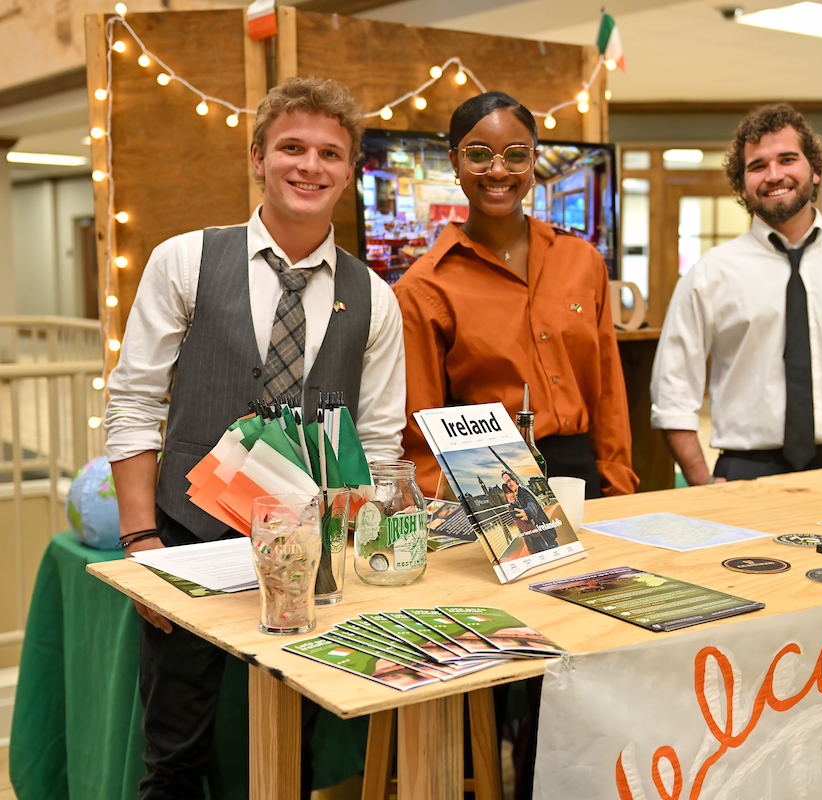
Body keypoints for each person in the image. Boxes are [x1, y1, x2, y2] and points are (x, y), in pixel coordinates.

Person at [103, 76, 406, 799]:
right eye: (291, 147)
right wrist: (141, 542)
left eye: (330, 153)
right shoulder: (185, 260)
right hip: (189, 538)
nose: (309, 166)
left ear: (351, 171)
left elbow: (382, 441)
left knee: (292, 752)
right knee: (174, 751)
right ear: (257, 157)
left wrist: (369, 541)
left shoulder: (375, 296)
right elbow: (134, 402)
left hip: (312, 552)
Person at [650, 103, 822, 484]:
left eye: (788, 159)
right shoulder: (709, 273)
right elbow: (672, 394)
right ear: (742, 185)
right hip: (747, 474)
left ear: (815, 169)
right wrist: (703, 485)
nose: (774, 175)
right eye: (758, 166)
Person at [395, 91, 636, 501]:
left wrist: (619, 489)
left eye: (515, 155)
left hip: (581, 476)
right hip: (492, 483)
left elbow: (608, 392)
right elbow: (420, 434)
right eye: (478, 154)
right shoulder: (423, 287)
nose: (497, 170)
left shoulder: (582, 260)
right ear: (455, 162)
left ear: (534, 160)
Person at [502, 470, 556, 551]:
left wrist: (528, 512)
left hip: (546, 538)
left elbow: (532, 504)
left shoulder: (524, 493)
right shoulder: (518, 498)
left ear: (514, 480)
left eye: (509, 481)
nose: (509, 484)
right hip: (539, 538)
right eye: (507, 483)